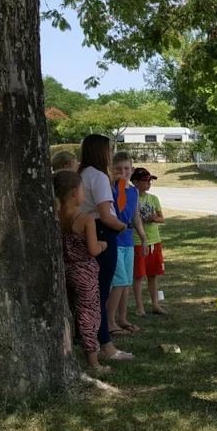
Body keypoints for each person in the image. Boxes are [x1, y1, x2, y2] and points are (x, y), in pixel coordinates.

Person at [78, 134, 133, 361]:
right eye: (108, 150)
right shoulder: (98, 176)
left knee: (90, 291)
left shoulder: (81, 174)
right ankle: (105, 345)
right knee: (101, 291)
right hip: (102, 231)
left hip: (84, 231)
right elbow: (105, 214)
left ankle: (91, 339)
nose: (110, 154)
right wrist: (122, 226)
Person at [54, 169, 108, 372]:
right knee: (88, 314)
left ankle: (68, 350)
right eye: (82, 190)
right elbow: (92, 250)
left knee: (69, 312)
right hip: (84, 273)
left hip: (64, 271)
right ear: (74, 194)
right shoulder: (85, 219)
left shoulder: (54, 217)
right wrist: (103, 245)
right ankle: (93, 362)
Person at [107, 152, 149, 336]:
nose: (122, 172)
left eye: (126, 169)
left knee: (126, 282)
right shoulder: (109, 188)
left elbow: (135, 215)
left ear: (131, 170)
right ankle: (110, 322)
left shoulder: (133, 191)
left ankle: (123, 318)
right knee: (119, 281)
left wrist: (143, 237)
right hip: (114, 241)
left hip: (129, 241)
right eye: (118, 169)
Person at [131, 167, 168, 316]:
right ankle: (139, 307)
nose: (149, 183)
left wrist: (155, 219)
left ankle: (155, 304)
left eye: (150, 180)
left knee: (153, 274)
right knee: (138, 275)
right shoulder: (132, 198)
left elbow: (162, 218)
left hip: (155, 240)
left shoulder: (153, 199)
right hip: (137, 241)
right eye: (146, 181)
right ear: (135, 182)